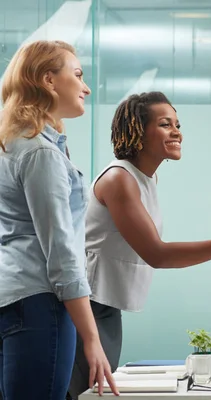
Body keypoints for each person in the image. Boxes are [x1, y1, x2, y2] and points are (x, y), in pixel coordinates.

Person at [68, 91, 211, 399]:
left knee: (93, 394)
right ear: (138, 131)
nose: (177, 131)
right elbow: (157, 254)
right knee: (82, 394)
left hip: (107, 308)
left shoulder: (144, 179)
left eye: (177, 124)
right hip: (87, 309)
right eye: (166, 124)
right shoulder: (119, 180)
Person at [0, 40, 118, 399]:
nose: (86, 87)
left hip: (13, 299)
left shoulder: (12, 145)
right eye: (78, 75)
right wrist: (92, 338)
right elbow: (62, 253)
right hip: (40, 306)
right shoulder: (40, 152)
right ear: (49, 81)